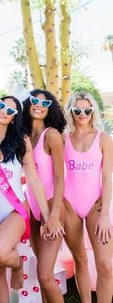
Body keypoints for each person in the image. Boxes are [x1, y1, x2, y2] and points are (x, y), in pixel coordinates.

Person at [0, 95, 54, 303]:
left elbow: (33, 179)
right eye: (2, 106)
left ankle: (17, 264)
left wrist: (47, 215)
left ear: (15, 118)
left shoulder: (21, 142)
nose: (4, 111)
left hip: (15, 210)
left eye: (11, 111)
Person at [64, 91, 113, 303]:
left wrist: (105, 215)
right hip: (69, 205)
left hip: (97, 206)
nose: (82, 113)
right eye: (77, 110)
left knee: (106, 266)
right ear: (71, 112)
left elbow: (108, 178)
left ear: (92, 111)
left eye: (86, 109)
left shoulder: (103, 139)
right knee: (80, 261)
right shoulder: (64, 139)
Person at [22, 89, 66, 303]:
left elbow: (59, 179)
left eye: (44, 103)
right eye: (34, 101)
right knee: (41, 272)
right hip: (33, 206)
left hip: (52, 206)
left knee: (46, 275)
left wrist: (54, 216)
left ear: (50, 108)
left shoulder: (52, 135)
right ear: (27, 104)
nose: (38, 105)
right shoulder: (23, 136)